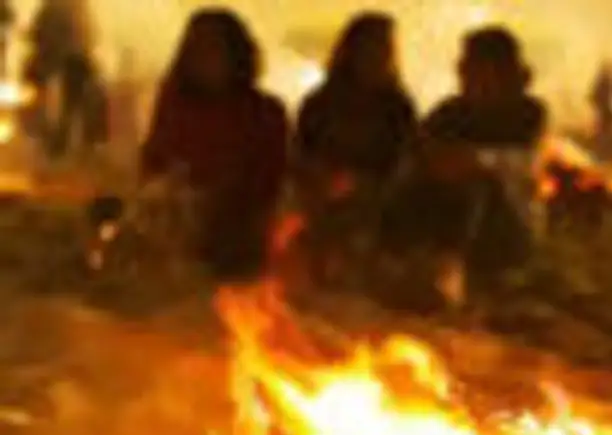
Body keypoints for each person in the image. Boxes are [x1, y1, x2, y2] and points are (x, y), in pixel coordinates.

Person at [379, 25, 547, 300]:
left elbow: (521, 163)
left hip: (507, 226)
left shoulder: (527, 113)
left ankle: (448, 277)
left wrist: (475, 160)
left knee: (474, 187)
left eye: (474, 64)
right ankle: (394, 264)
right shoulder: (450, 112)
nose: (463, 71)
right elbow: (420, 147)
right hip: (442, 209)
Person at [141, 8, 288, 282]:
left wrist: (220, 197)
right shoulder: (175, 104)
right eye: (196, 50)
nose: (204, 60)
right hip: (174, 240)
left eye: (213, 50)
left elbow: (268, 182)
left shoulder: (264, 113)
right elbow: (154, 158)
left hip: (235, 241)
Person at [294, 11, 417, 282]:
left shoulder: (397, 107)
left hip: (376, 193)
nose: (377, 56)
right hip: (320, 188)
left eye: (384, 48)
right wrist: (320, 175)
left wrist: (362, 182)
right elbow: (302, 150)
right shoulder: (321, 103)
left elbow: (402, 161)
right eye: (370, 47)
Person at [25, 0, 103, 158]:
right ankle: (64, 142)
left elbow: (37, 33)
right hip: (62, 60)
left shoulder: (59, 8)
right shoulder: (71, 9)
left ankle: (61, 142)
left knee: (68, 105)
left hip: (64, 60)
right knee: (66, 105)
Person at [589, 60, 612, 144]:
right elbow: (593, 96)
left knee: (610, 131)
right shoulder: (601, 81)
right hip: (604, 110)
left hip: (610, 111)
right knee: (603, 131)